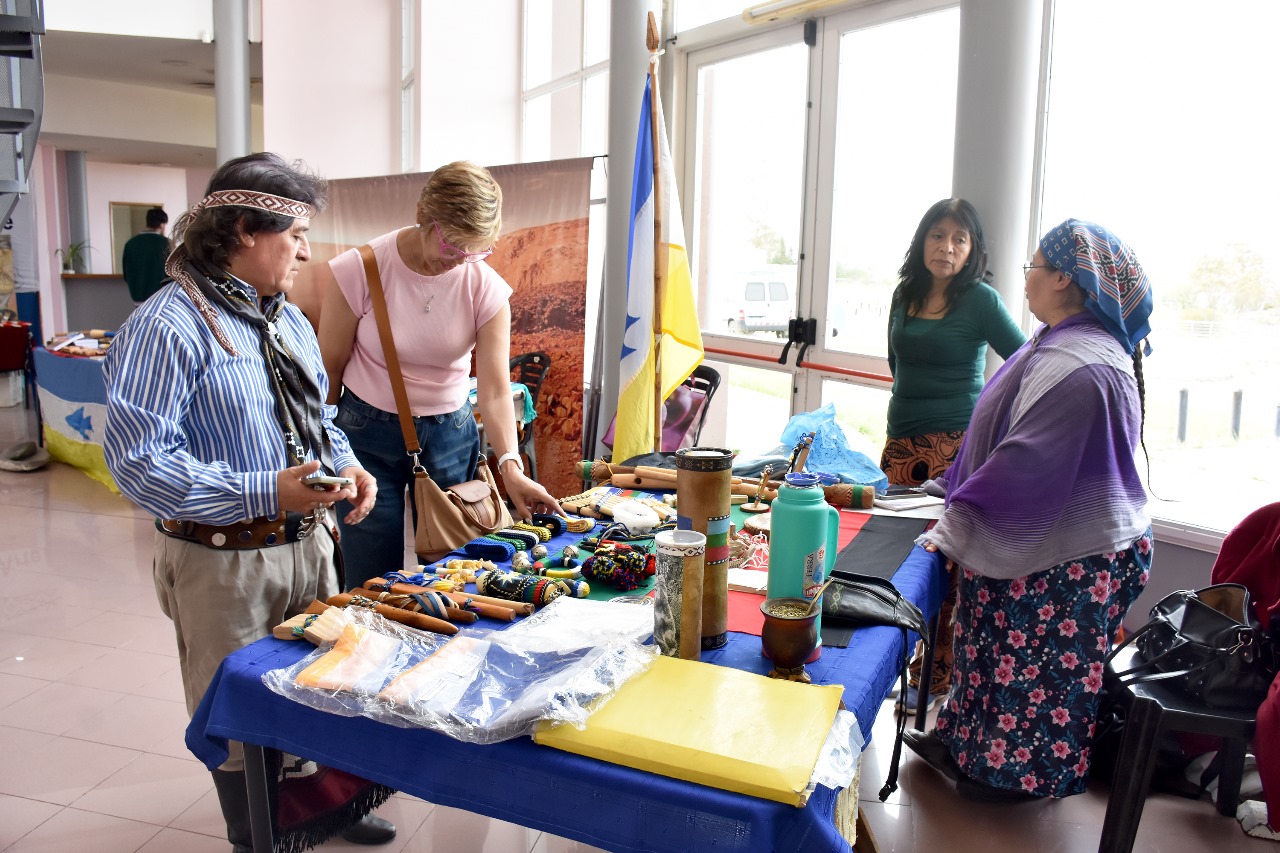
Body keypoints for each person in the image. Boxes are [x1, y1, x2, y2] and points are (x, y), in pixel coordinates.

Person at [102, 153, 394, 850]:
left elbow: (317, 421)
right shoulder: (165, 325)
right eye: (294, 232)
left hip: (308, 547)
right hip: (220, 562)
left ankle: (327, 809)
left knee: (319, 683)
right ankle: (257, 834)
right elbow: (138, 463)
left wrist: (349, 466)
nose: (304, 249)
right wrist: (265, 488)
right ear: (241, 228)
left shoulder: (287, 318)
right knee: (240, 714)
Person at [903, 219, 1154, 802]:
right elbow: (999, 429)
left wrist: (955, 521)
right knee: (986, 655)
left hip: (1069, 559)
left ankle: (1012, 782)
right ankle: (965, 750)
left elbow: (1026, 462)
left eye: (1033, 267)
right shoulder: (1059, 340)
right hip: (1046, 543)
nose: (1026, 281)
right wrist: (951, 487)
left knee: (1033, 679)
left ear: (1064, 278)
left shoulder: (1082, 364)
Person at [318, 160, 562, 589]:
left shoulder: (483, 286)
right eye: (453, 247)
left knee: (460, 570)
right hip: (366, 432)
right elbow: (328, 373)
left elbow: (495, 392)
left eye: (476, 250)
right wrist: (323, 453)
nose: (461, 261)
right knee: (372, 574)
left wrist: (510, 465)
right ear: (425, 218)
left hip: (451, 435)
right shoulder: (361, 268)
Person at [882, 199, 1026, 714]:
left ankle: (934, 678)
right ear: (922, 242)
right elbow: (897, 363)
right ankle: (895, 664)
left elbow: (1026, 359)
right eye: (938, 236)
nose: (947, 247)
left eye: (959, 239)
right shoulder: (905, 293)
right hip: (900, 448)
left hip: (954, 453)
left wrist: (991, 417)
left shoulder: (981, 300)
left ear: (972, 250)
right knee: (896, 557)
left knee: (941, 565)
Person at [121, 206, 171, 304]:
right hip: (160, 299)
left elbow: (126, 274)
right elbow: (173, 272)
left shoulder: (130, 244)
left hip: (138, 298)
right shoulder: (166, 243)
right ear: (162, 225)